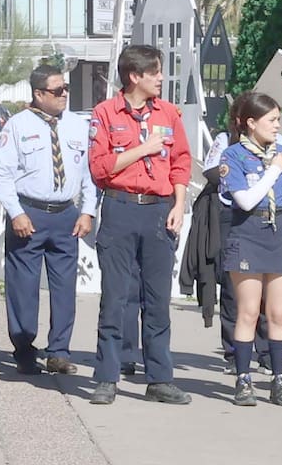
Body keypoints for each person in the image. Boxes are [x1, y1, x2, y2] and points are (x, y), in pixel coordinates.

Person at [87, 45, 191, 405]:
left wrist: (178, 204)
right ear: (135, 76)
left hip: (159, 210)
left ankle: (160, 377)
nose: (161, 78)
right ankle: (106, 377)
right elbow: (100, 168)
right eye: (156, 72)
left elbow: (180, 161)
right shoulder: (104, 113)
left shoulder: (168, 113)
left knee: (158, 299)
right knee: (116, 297)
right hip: (121, 207)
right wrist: (143, 149)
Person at [0, 65, 97, 375]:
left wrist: (87, 211)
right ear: (38, 94)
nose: (64, 94)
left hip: (65, 214)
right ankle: (24, 347)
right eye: (57, 90)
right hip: (30, 212)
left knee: (64, 287)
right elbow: (2, 173)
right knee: (23, 286)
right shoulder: (18, 126)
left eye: (66, 89)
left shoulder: (78, 125)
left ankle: (59, 351)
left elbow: (89, 173)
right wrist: (16, 212)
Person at [218, 92, 282, 407]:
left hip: (281, 233)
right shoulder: (233, 156)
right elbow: (244, 200)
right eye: (271, 119)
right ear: (251, 122)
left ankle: (279, 380)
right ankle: (243, 380)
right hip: (247, 233)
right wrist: (272, 170)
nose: (277, 125)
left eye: (278, 119)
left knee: (278, 313)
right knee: (247, 311)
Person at [202, 129, 272, 374]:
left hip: (267, 216)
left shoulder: (278, 144)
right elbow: (211, 172)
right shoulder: (226, 139)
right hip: (232, 214)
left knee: (266, 288)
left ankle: (267, 353)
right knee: (233, 287)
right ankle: (233, 353)